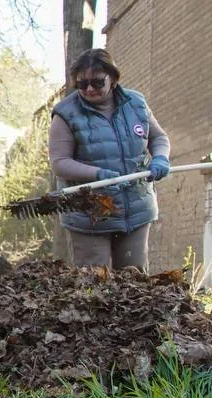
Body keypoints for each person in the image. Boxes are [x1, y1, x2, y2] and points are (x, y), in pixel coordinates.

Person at [49, 48, 170, 270]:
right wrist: (99, 174)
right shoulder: (66, 114)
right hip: (89, 215)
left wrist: (161, 158)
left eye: (96, 82)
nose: (89, 89)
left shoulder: (136, 104)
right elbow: (59, 163)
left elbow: (159, 137)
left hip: (136, 208)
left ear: (113, 78)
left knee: (134, 282)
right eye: (81, 84)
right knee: (95, 282)